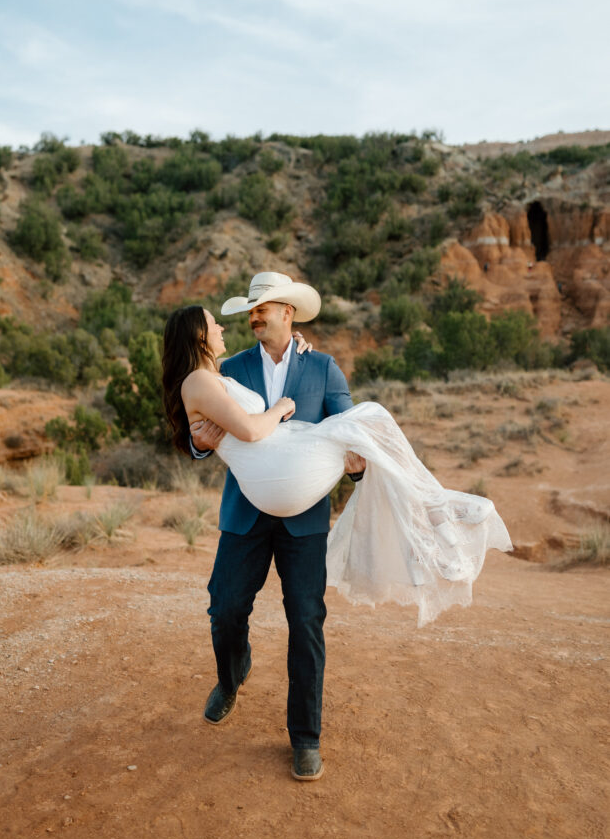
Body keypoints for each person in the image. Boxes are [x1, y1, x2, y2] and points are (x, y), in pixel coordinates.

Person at [161, 273, 512, 781]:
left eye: (265, 307)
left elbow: (349, 433)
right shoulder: (226, 368)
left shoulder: (323, 368)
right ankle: (231, 676)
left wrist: (357, 463)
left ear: (289, 313)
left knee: (306, 622)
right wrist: (200, 441)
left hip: (304, 521)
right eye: (251, 309)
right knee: (225, 608)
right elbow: (195, 432)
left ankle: (305, 737)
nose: (254, 316)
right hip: (246, 514)